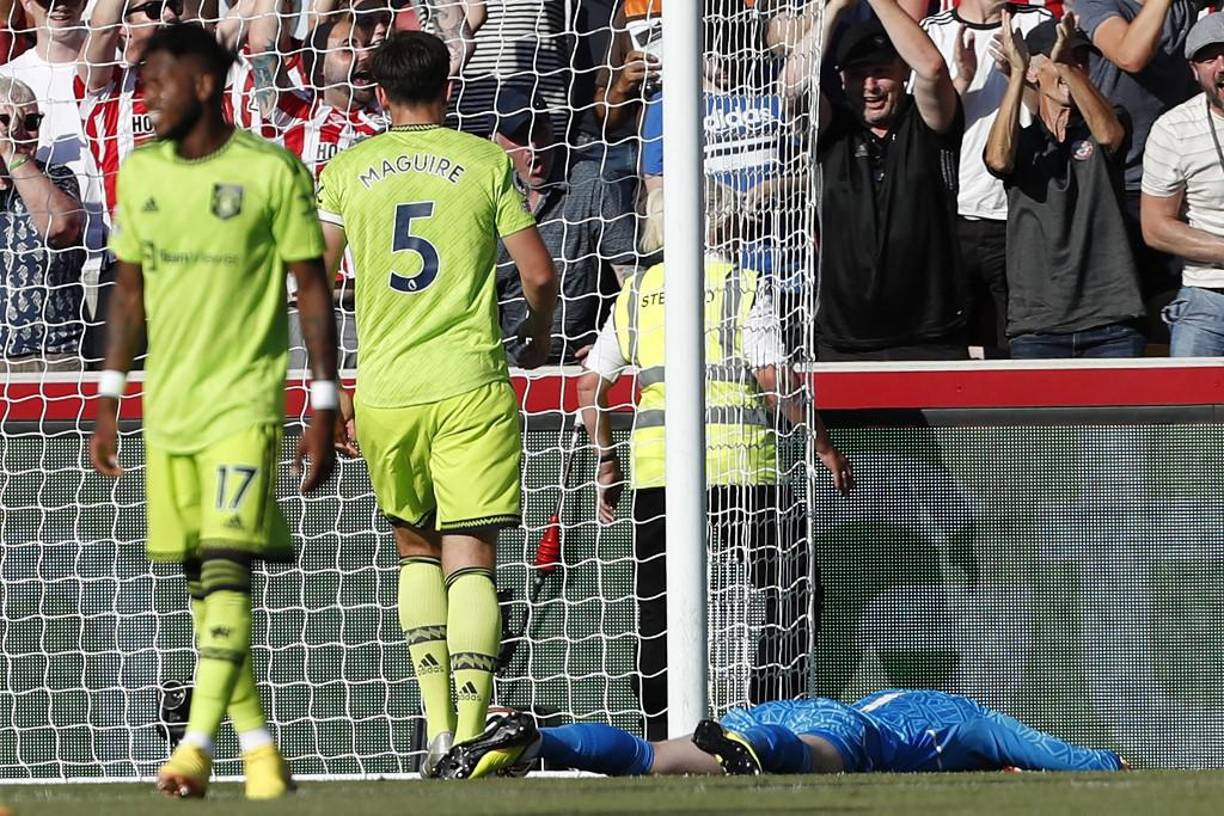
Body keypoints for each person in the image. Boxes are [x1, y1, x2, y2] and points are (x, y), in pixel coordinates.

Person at [87, 24, 339, 800]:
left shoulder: (271, 171)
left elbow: (312, 288)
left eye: (157, 80)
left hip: (243, 406)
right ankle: (260, 752)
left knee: (228, 566)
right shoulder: (144, 173)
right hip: (168, 413)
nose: (145, 95)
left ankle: (194, 749)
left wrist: (322, 403)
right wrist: (108, 397)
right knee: (207, 590)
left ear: (202, 84)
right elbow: (128, 293)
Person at [319, 31, 557, 776]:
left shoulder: (344, 170)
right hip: (468, 383)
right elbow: (540, 275)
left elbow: (315, 284)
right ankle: (471, 728)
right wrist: (540, 338)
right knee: (472, 561)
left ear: (378, 93)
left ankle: (435, 731)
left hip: (385, 389)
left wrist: (332, 394)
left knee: (413, 549)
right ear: (449, 89)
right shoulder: (486, 162)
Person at [576, 183, 853, 741]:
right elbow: (775, 380)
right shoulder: (740, 286)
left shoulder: (635, 293)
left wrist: (607, 462)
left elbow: (590, 386)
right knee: (790, 589)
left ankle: (660, 731)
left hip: (659, 474)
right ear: (720, 224)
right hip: (741, 470)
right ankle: (767, 716)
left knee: (659, 605)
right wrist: (822, 444)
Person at [437, 689, 1126, 778]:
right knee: (825, 759)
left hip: (777, 707)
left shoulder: (912, 699)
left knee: (657, 757)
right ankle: (756, 753)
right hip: (837, 727)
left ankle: (540, 741)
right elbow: (1059, 755)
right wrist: (1111, 764)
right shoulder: (970, 721)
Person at [983, 14, 1145, 357]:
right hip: (1038, 326)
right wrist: (1015, 76)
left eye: (1082, 60)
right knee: (1040, 415)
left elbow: (1108, 135)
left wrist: (1063, 64)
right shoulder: (1021, 141)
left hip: (1110, 322)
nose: (1078, 67)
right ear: (1033, 71)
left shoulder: (1109, 117)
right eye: (1060, 58)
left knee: (1118, 414)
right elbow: (997, 160)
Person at [817, 0, 968, 361]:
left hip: (929, 332)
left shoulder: (927, 120)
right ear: (841, 79)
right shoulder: (832, 130)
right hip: (844, 338)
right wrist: (835, 8)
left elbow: (932, 68)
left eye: (881, 71)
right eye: (857, 74)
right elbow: (794, 88)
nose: (870, 86)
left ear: (903, 72)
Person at [921, 0, 1054, 356]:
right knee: (954, 349)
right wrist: (960, 80)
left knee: (1020, 346)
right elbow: (920, 128)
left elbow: (1056, 112)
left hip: (1023, 213)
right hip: (955, 216)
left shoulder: (1038, 21)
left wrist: (1017, 75)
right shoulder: (933, 30)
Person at [1076, 0, 1197, 336]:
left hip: (1177, 184)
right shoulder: (1095, 2)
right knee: (1120, 322)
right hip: (1116, 184)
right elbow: (1130, 54)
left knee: (1174, 312)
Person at [492, 87, 638, 365]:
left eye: (541, 133)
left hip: (579, 361)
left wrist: (614, 340)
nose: (534, 149)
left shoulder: (592, 182)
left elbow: (630, 275)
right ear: (495, 141)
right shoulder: (485, 194)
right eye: (521, 138)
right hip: (503, 364)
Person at [1, 0, 108, 328]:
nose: (61, 5)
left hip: (113, 261)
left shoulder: (113, 72)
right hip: (41, 274)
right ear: (26, 3)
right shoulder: (7, 77)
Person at [1141, 13, 1224, 357]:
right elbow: (1156, 227)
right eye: (1209, 57)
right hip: (1208, 297)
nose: (1222, 66)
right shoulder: (1173, 129)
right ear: (1193, 70)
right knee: (1191, 408)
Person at [0, 74, 85, 371]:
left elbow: (61, 227)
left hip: (53, 355)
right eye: (5, 121)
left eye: (31, 122)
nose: (19, 131)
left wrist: (11, 153)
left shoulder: (59, 179)